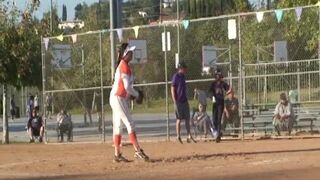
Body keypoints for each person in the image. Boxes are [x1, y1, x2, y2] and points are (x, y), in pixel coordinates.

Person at [109, 43, 149, 162]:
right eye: (130, 52)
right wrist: (136, 94)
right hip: (118, 98)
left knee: (118, 127)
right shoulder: (124, 66)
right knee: (129, 124)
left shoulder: (124, 65)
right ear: (125, 54)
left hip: (117, 97)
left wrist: (131, 95)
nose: (132, 54)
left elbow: (126, 88)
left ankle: (117, 154)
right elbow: (126, 87)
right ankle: (137, 151)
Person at [171, 61, 196, 144]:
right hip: (178, 101)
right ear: (180, 68)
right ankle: (178, 136)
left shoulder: (183, 77)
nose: (185, 70)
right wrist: (175, 101)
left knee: (187, 119)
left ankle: (189, 136)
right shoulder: (176, 76)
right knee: (179, 119)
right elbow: (172, 88)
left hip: (184, 101)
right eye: (184, 68)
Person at [209, 69, 231, 143]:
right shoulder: (213, 84)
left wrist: (225, 94)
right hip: (215, 103)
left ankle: (218, 135)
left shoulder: (223, 83)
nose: (218, 76)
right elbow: (209, 92)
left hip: (221, 103)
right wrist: (212, 97)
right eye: (217, 75)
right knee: (214, 119)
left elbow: (229, 89)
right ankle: (216, 132)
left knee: (219, 119)